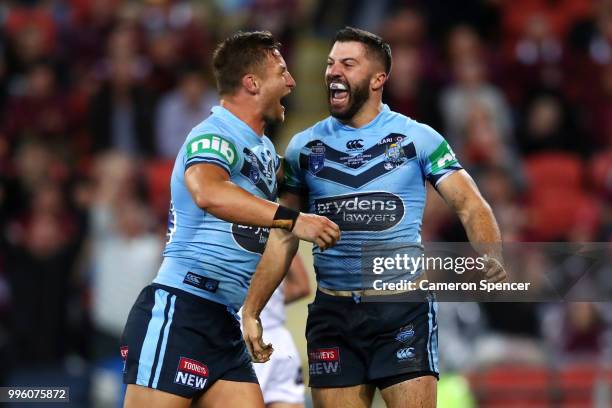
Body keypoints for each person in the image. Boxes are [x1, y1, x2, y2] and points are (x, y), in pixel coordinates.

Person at [242, 27, 506, 408]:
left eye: (348, 64)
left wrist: (491, 252)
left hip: (401, 310)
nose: (333, 71)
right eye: (331, 63)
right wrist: (252, 309)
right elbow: (284, 234)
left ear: (379, 78)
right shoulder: (303, 147)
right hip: (333, 315)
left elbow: (470, 203)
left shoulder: (418, 138)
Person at [121, 31, 340, 408]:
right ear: (252, 83)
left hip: (224, 322)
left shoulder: (267, 154)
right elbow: (208, 191)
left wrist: (252, 311)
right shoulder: (213, 134)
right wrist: (292, 218)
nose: (291, 82)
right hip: (180, 309)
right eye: (282, 72)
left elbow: (274, 235)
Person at [241, 256, 310, 408]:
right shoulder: (281, 232)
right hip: (280, 341)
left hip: (243, 340)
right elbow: (300, 285)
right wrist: (264, 305)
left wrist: (247, 310)